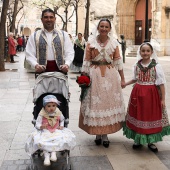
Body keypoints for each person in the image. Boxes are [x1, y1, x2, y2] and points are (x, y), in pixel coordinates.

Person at [78, 18, 126, 148]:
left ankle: (105, 135)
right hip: (94, 76)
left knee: (106, 104)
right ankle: (97, 134)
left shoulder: (114, 43)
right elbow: (86, 62)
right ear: (98, 28)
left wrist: (122, 79)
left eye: (106, 26)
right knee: (96, 105)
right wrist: (84, 78)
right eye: (102, 26)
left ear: (110, 29)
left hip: (110, 77)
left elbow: (118, 62)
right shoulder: (90, 43)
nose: (104, 29)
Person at [123, 42, 170, 152]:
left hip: (151, 94)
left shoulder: (156, 66)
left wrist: (163, 99)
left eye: (148, 51)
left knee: (150, 115)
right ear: (140, 52)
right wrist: (125, 83)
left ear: (152, 52)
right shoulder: (136, 65)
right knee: (139, 114)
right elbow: (135, 79)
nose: (145, 53)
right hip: (137, 93)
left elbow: (161, 83)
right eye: (143, 51)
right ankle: (138, 139)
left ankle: (151, 141)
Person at [25, 95, 76, 166]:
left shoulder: (58, 112)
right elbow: (37, 123)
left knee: (59, 138)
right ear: (44, 106)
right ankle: (46, 156)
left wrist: (61, 125)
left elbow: (62, 120)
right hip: (45, 130)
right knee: (43, 140)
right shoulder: (42, 114)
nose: (51, 108)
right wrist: (41, 126)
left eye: (53, 105)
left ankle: (53, 152)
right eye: (48, 106)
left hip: (56, 129)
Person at [25, 8, 74, 73]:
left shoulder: (63, 35)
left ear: (55, 19)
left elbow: (69, 51)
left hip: (60, 72)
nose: (49, 20)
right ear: (42, 19)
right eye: (46, 17)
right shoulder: (34, 36)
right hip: (41, 72)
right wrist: (36, 65)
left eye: (51, 17)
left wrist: (67, 64)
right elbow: (29, 53)